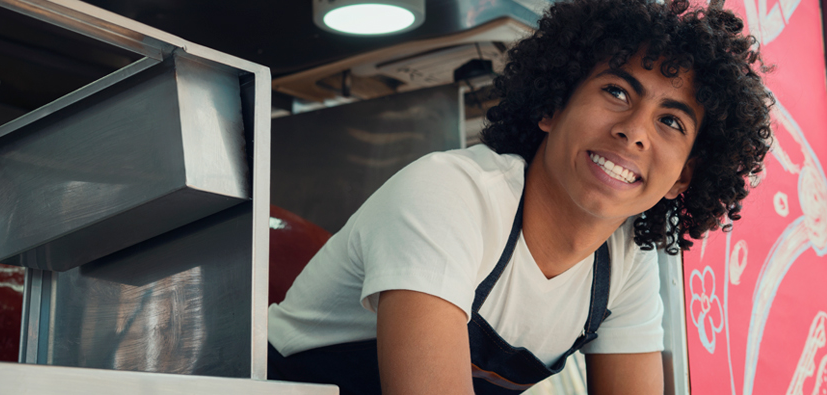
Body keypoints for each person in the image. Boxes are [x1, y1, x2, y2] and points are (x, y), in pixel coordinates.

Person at [267, 0, 773, 393]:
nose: (634, 132)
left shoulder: (623, 268)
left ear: (684, 177)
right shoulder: (450, 193)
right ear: (552, 108)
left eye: (671, 121)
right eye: (617, 92)